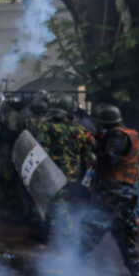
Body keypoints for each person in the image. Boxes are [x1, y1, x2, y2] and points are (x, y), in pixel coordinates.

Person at [79, 104, 139, 276]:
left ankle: (72, 273)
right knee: (126, 238)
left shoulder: (116, 135)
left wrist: (93, 145)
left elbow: (108, 157)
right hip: (125, 193)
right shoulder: (131, 133)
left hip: (113, 194)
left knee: (89, 232)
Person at [25, 97, 94, 241]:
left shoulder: (47, 126)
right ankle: (47, 233)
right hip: (73, 172)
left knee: (56, 202)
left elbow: (41, 149)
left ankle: (68, 234)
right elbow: (88, 154)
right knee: (58, 200)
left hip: (52, 171)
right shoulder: (80, 129)